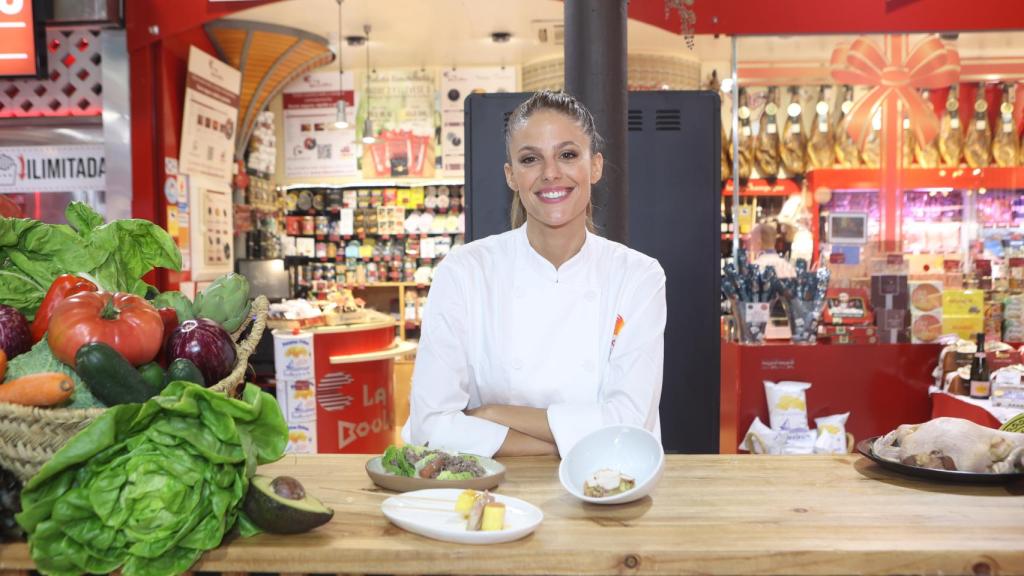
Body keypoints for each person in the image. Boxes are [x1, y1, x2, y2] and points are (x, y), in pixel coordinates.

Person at [402, 90, 666, 457]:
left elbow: (630, 422)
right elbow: (428, 427)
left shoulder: (637, 276)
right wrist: (572, 443)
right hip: (493, 496)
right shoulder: (464, 272)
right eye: (530, 159)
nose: (551, 173)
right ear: (511, 175)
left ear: (595, 166)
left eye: (568, 155)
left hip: (606, 490)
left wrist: (491, 415)